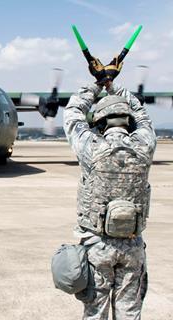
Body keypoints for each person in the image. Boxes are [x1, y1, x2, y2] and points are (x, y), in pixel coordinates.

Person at [63, 57, 156, 319]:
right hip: (132, 246)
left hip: (97, 245)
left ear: (100, 123)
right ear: (127, 121)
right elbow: (142, 114)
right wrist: (114, 85)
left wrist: (97, 83)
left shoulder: (92, 148)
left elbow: (72, 114)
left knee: (96, 313)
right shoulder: (145, 146)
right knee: (130, 312)